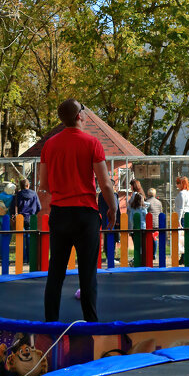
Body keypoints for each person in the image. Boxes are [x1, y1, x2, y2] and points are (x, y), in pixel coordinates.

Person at [39, 99, 116, 322]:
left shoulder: (50, 145)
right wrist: (112, 207)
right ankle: (91, 323)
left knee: (56, 272)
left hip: (60, 213)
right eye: (83, 109)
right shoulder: (92, 143)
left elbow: (44, 184)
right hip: (85, 215)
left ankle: (50, 322)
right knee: (87, 274)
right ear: (79, 116)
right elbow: (105, 183)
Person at [9, 178, 41, 264]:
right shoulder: (34, 194)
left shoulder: (17, 195)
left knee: (21, 239)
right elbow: (39, 207)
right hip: (30, 218)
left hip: (20, 218)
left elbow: (12, 208)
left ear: (21, 186)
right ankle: (30, 258)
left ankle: (23, 258)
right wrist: (33, 213)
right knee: (30, 238)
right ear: (28, 185)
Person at [175, 176, 189, 265]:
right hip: (187, 215)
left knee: (182, 237)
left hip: (182, 216)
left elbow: (181, 208)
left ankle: (184, 256)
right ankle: (184, 257)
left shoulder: (182, 193)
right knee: (185, 237)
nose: (177, 185)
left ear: (182, 184)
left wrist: (178, 220)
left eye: (178, 183)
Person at [146, 187, 163, 260]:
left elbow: (145, 212)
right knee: (155, 238)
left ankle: (151, 253)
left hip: (150, 223)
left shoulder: (147, 202)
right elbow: (160, 212)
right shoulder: (159, 202)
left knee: (149, 238)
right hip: (157, 223)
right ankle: (154, 253)